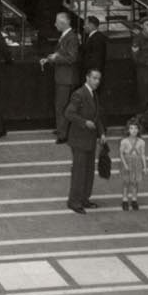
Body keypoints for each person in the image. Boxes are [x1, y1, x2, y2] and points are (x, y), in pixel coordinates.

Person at [64, 65, 105, 213]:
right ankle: (74, 202)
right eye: (94, 78)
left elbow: (96, 116)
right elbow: (69, 113)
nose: (97, 81)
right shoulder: (79, 94)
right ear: (87, 78)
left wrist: (101, 133)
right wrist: (84, 122)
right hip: (79, 139)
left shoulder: (93, 94)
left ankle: (84, 199)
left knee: (88, 171)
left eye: (99, 79)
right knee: (79, 172)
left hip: (89, 139)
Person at [40, 10, 79, 142]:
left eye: (57, 22)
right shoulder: (66, 36)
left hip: (65, 78)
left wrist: (55, 58)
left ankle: (63, 134)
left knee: (61, 106)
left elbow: (71, 58)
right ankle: (62, 129)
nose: (55, 24)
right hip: (64, 77)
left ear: (63, 22)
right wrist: (50, 58)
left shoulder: (71, 37)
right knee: (62, 105)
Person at [119, 117, 147, 211]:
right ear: (128, 130)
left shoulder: (142, 142)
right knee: (126, 182)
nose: (133, 130)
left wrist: (145, 166)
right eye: (131, 128)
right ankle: (125, 199)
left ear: (139, 130)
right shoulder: (124, 141)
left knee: (135, 182)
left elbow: (143, 154)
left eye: (135, 128)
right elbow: (121, 154)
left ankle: (134, 199)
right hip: (127, 162)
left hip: (137, 163)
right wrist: (125, 165)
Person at [80, 13, 109, 84]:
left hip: (92, 75)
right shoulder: (92, 37)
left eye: (85, 24)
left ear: (91, 25)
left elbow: (96, 58)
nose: (84, 26)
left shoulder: (97, 38)